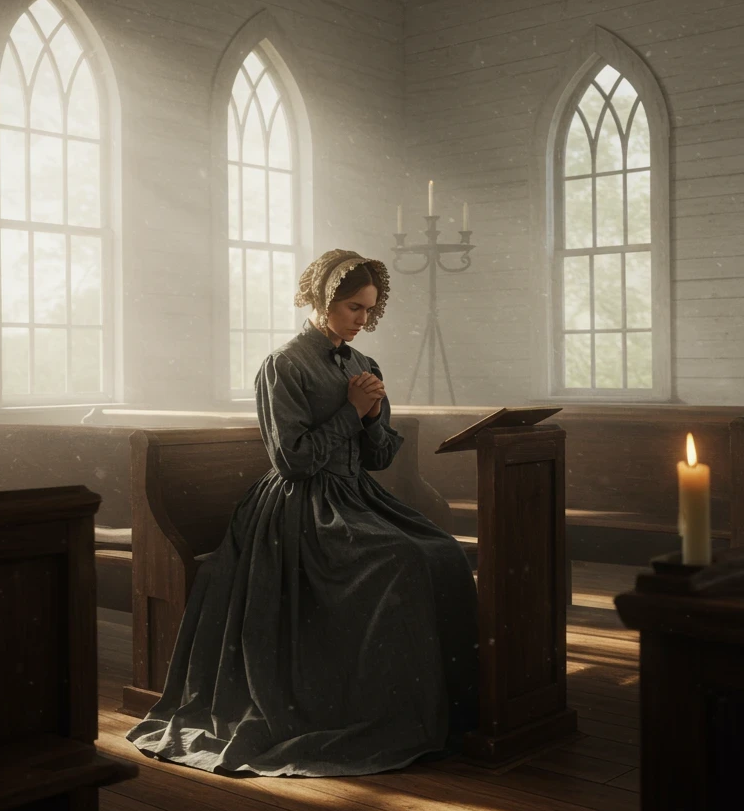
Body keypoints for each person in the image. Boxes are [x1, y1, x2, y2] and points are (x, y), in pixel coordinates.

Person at [125, 249, 480, 777]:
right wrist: (352, 411)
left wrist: (375, 417)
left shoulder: (364, 365)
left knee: (440, 552)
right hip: (300, 506)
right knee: (398, 561)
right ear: (322, 301)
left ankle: (433, 711)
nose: (363, 321)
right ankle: (371, 710)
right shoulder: (283, 365)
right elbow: (293, 461)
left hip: (356, 495)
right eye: (354, 309)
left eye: (369, 311)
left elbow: (379, 458)